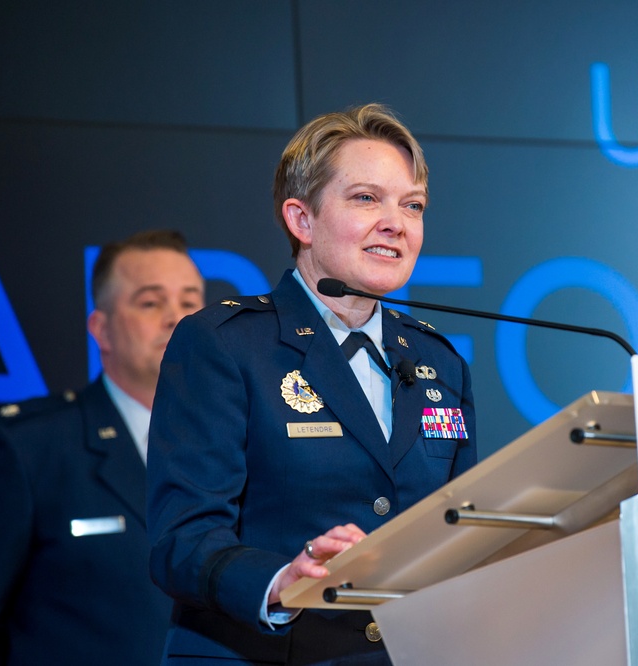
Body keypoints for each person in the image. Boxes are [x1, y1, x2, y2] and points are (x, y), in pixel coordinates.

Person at [146, 103, 477, 665]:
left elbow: (464, 531)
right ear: (301, 219)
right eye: (366, 198)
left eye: (412, 205)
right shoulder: (226, 344)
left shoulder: (439, 362)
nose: (396, 222)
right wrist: (282, 580)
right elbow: (182, 540)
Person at [0, 230, 205, 665]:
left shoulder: (241, 442)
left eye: (189, 302)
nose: (176, 318)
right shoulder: (29, 448)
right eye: (151, 302)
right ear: (101, 329)